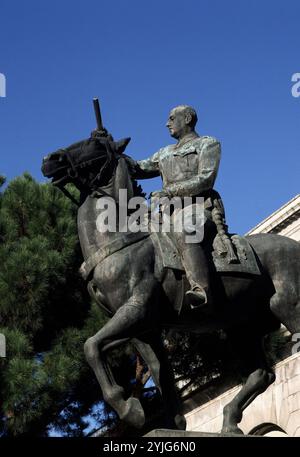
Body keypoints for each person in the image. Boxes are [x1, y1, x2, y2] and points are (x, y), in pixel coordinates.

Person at [130, 105, 221, 310]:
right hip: (166, 213)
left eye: (172, 118)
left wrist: (170, 191)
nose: (167, 123)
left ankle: (201, 290)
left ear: (187, 118)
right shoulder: (164, 153)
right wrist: (110, 149)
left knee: (185, 229)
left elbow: (206, 178)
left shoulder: (207, 144)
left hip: (197, 208)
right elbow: (137, 168)